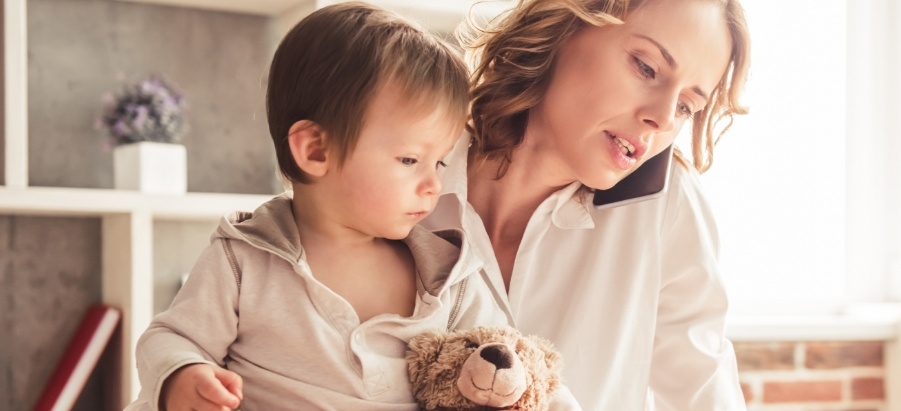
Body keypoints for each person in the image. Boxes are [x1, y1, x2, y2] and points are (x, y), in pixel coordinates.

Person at [123, 3, 523, 410]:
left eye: (439, 161)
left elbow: (518, 366)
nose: (433, 184)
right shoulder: (243, 259)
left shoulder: (451, 277)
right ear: (316, 150)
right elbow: (171, 338)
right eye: (409, 160)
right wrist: (182, 375)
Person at [422, 0, 752, 409]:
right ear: (564, 25)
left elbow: (705, 395)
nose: (664, 118)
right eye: (646, 68)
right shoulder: (407, 166)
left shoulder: (665, 207)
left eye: (686, 106)